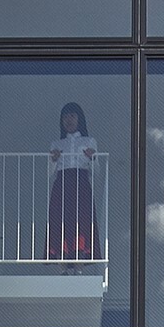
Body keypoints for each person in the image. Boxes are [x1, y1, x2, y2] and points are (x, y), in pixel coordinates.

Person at [47, 101, 100, 260]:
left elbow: (96, 172)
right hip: (62, 185)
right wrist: (53, 160)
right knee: (60, 222)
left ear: (79, 119)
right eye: (65, 117)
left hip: (81, 184)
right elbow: (49, 174)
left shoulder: (89, 141)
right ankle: (62, 266)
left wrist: (92, 158)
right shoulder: (56, 144)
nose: (68, 120)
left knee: (81, 222)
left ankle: (79, 268)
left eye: (72, 116)